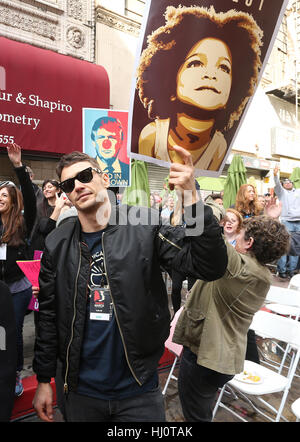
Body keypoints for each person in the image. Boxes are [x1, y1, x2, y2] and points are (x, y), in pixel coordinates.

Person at [32, 145, 227, 423]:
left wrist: (192, 199)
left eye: (85, 175)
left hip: (138, 388)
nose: (78, 185)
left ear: (105, 179)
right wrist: (42, 380)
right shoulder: (57, 243)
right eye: (68, 183)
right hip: (79, 391)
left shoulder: (144, 224)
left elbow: (208, 266)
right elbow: (49, 316)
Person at [173, 215, 290, 422]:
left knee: (195, 415)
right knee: (201, 409)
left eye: (240, 236)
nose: (235, 239)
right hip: (222, 358)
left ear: (249, 242)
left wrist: (189, 193)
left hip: (205, 357)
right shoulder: (260, 272)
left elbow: (210, 239)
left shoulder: (240, 269)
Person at [136, 5, 262, 171]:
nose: (211, 75)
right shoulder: (151, 136)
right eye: (196, 63)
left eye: (224, 68)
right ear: (170, 78)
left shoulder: (219, 147)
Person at [0, 142, 36, 396]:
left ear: (13, 200)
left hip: (17, 288)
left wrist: (18, 167)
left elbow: (32, 202)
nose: (0, 198)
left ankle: (14, 374)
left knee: (13, 330)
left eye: (4, 195)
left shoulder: (22, 222)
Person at [273, 165, 300, 279]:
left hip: (299, 222)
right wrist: (275, 175)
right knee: (284, 246)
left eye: (289, 182)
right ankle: (282, 270)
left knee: (296, 247)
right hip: (286, 222)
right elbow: (277, 185)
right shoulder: (281, 193)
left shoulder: (298, 192)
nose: (287, 183)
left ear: (293, 183)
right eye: (285, 182)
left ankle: (291, 270)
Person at [30, 179, 69, 252]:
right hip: (39, 249)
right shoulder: (39, 206)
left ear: (58, 190)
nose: (46, 190)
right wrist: (58, 208)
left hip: (58, 248)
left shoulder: (66, 207)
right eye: (44, 188)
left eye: (50, 187)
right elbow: (44, 228)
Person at [91, 116, 129, 185]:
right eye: (101, 138)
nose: (106, 144)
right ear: (93, 142)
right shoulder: (86, 172)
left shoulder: (129, 171)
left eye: (112, 137)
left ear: (121, 142)